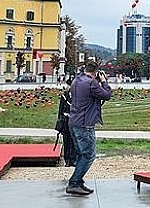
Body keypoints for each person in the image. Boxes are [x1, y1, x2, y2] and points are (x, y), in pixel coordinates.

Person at [67, 60, 112, 196]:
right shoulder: (91, 83)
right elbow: (107, 95)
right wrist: (103, 81)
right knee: (89, 155)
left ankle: (78, 182)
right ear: (96, 72)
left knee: (82, 154)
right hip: (85, 124)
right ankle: (74, 183)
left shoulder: (76, 80)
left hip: (74, 122)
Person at [57, 76, 76, 167]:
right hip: (66, 120)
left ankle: (73, 159)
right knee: (66, 140)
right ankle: (67, 160)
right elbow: (61, 110)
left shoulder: (78, 96)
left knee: (74, 140)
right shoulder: (64, 95)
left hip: (75, 120)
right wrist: (60, 121)